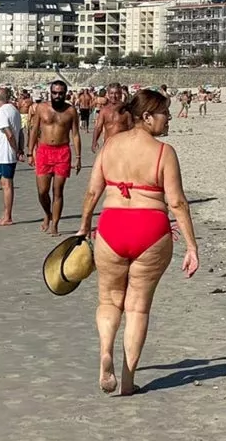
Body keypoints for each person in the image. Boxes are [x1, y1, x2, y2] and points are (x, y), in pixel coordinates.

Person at [76, 89, 199, 396]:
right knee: (138, 308)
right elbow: (178, 203)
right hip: (150, 229)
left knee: (109, 300)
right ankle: (128, 381)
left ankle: (106, 351)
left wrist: (83, 226)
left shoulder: (111, 145)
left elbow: (93, 192)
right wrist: (192, 247)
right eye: (164, 113)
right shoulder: (163, 152)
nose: (168, 119)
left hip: (112, 227)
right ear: (146, 117)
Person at [27, 80, 83, 235]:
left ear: (65, 94)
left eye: (60, 93)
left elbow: (76, 134)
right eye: (54, 93)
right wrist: (30, 152)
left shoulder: (71, 111)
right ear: (50, 92)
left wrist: (78, 157)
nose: (57, 96)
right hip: (44, 151)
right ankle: (47, 214)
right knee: (42, 191)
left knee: (58, 191)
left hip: (62, 152)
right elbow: (34, 130)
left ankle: (55, 226)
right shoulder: (41, 108)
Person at [0, 87, 24, 227]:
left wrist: (16, 150)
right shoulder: (14, 110)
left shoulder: (2, 111)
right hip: (4, 154)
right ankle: (6, 215)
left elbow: (9, 134)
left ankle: (7, 217)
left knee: (6, 185)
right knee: (6, 184)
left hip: (4, 154)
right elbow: (20, 133)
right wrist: (20, 149)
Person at [91, 83, 130, 153]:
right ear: (108, 94)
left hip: (123, 146)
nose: (114, 96)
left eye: (116, 93)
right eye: (111, 93)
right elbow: (98, 127)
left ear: (121, 94)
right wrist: (94, 142)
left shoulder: (127, 110)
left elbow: (132, 128)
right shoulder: (104, 111)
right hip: (108, 146)